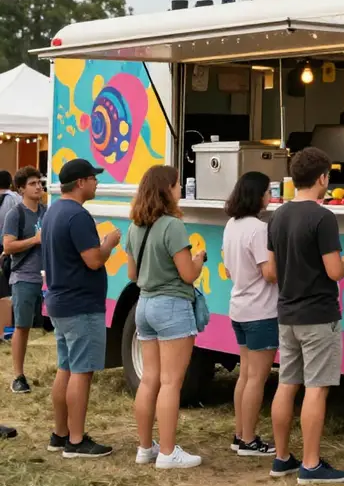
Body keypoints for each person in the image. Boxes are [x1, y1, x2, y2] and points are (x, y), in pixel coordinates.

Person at [268, 147, 344, 484]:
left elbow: (272, 271)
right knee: (316, 389)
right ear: (322, 178)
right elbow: (334, 272)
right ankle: (311, 464)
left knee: (287, 384)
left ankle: (281, 458)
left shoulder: (277, 216)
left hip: (287, 313)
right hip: (319, 315)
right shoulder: (323, 217)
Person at [125, 165, 205, 469]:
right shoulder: (172, 226)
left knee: (150, 380)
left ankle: (146, 448)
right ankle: (169, 452)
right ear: (166, 190)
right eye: (177, 185)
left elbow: (132, 274)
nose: (181, 190)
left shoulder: (135, 226)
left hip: (143, 305)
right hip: (172, 307)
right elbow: (187, 274)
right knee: (172, 382)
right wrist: (197, 260)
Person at [41, 158, 120, 458]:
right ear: (80, 183)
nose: (97, 183)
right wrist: (109, 243)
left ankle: (60, 434)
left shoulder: (53, 212)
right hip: (81, 304)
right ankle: (76, 441)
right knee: (82, 372)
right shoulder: (77, 216)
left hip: (60, 301)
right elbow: (94, 260)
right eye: (93, 178)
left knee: (66, 368)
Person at [222, 171, 278, 457]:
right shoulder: (259, 229)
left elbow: (229, 269)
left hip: (239, 307)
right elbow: (268, 273)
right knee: (257, 377)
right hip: (262, 310)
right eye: (268, 191)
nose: (270, 196)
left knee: (245, 375)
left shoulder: (231, 224)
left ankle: (240, 433)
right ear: (258, 196)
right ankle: (249, 439)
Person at [3, 166, 47, 393]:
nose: (39, 186)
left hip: (48, 278)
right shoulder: (16, 214)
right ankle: (18, 376)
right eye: (32, 183)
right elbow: (8, 246)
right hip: (23, 277)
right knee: (22, 326)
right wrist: (35, 240)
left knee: (54, 325)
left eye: (39, 182)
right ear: (21, 189)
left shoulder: (46, 211)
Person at [0, 170, 22, 334]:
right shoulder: (15, 199)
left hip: (4, 246)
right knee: (8, 288)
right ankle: (8, 325)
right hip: (10, 248)